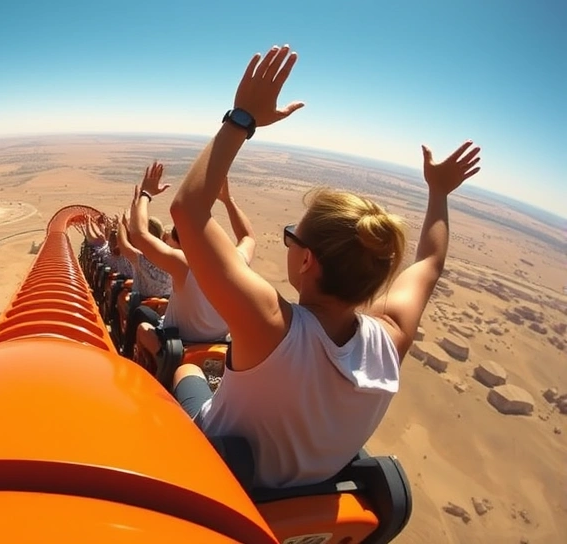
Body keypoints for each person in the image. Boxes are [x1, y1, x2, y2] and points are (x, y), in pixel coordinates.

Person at [168, 44, 482, 489]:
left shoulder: (271, 327)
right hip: (306, 501)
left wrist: (243, 118)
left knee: (187, 371)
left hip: (224, 485)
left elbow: (187, 210)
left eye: (294, 233)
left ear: (308, 259)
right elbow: (430, 262)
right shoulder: (390, 338)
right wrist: (440, 193)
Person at [123, 161, 256, 360]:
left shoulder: (185, 264)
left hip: (180, 348)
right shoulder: (238, 260)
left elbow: (139, 234)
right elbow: (248, 237)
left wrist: (146, 194)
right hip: (222, 346)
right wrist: (228, 200)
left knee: (142, 327)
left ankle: (134, 363)